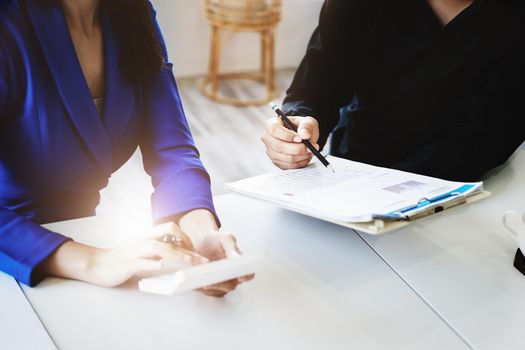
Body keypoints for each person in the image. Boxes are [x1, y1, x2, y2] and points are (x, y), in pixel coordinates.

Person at [0, 0, 251, 296]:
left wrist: (202, 234)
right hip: (16, 251)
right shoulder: (9, 21)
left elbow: (171, 148)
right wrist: (92, 262)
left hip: (84, 235)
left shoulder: (132, 11)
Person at [262, 0, 525, 181]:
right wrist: (297, 124)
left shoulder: (513, 21)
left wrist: (388, 186)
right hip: (355, 164)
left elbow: (485, 137)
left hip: (463, 189)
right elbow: (319, 81)